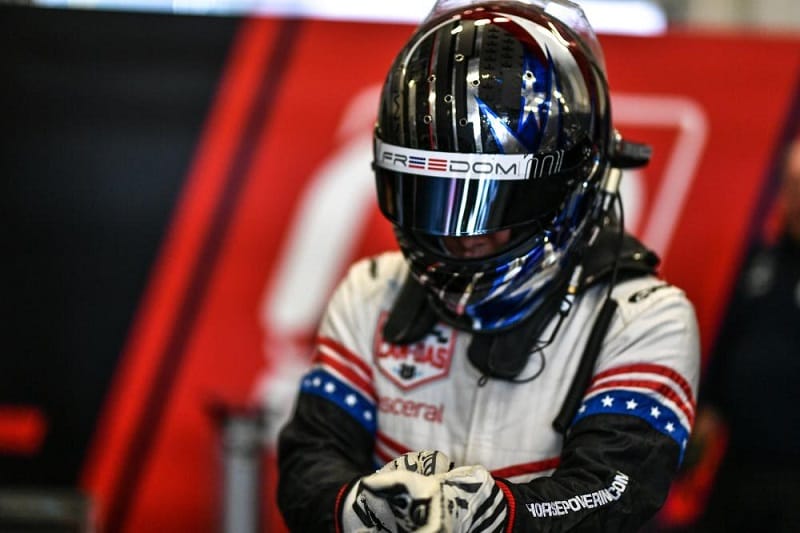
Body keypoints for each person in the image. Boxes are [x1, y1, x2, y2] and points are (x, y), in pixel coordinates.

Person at [277, 1, 700, 531]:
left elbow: (615, 489)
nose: (464, 236)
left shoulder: (642, 317)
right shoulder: (371, 291)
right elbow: (308, 461)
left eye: (495, 203)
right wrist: (356, 508)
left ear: (573, 183)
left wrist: (502, 516)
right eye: (435, 197)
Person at [691, 138, 800, 532]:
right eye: (790, 186)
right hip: (738, 459)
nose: (794, 200)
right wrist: (707, 414)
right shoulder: (762, 262)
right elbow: (731, 345)